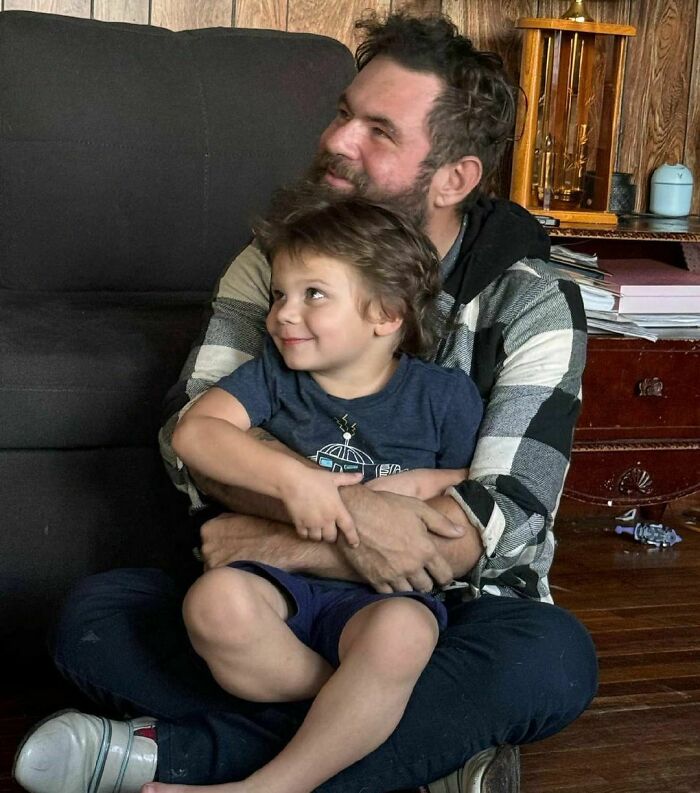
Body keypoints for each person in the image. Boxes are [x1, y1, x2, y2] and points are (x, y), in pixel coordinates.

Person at [14, 11, 597, 793]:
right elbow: (187, 444)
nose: (336, 141)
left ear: (456, 176)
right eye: (342, 112)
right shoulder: (273, 266)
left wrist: (293, 538)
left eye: (378, 132)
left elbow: (498, 517)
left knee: (549, 661)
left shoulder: (532, 299)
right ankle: (415, 748)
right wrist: (343, 518)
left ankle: (182, 758)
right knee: (93, 621)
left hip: (448, 609)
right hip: (279, 609)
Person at [159, 190, 483, 793]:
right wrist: (294, 478)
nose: (282, 312)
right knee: (212, 604)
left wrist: (414, 486)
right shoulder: (272, 379)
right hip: (275, 587)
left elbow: (478, 486)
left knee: (402, 635)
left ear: (386, 314)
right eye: (280, 294)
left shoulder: (443, 396)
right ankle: (358, 706)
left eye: (314, 295)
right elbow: (195, 433)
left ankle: (270, 785)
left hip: (378, 596)